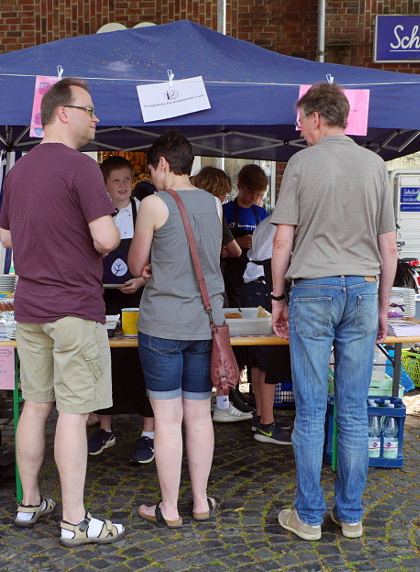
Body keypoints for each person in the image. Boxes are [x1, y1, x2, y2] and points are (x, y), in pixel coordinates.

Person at [0, 77, 126, 547]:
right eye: (90, 109)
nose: (96, 118)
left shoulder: (19, 172)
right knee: (74, 413)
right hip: (74, 306)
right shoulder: (81, 168)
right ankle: (75, 520)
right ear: (63, 112)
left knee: (35, 406)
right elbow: (108, 240)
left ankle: (30, 502)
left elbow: (9, 240)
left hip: (30, 306)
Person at [270, 82, 397, 541]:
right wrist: (384, 305)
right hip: (363, 290)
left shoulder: (301, 164)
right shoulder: (375, 165)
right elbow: (389, 247)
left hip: (314, 289)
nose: (299, 128)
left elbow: (282, 240)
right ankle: (350, 514)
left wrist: (277, 297)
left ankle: (307, 516)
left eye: (301, 120)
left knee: (308, 412)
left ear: (318, 118)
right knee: (354, 411)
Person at [129, 130, 223, 527]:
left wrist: (150, 268)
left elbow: (135, 265)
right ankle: (200, 501)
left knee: (166, 420)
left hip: (163, 324)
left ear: (164, 164)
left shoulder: (153, 203)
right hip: (204, 323)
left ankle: (169, 508)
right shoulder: (216, 204)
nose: (152, 176)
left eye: (152, 168)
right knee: (199, 417)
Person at [87, 155, 155, 464]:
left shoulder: (146, 211)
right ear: (104, 184)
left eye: (127, 178)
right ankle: (105, 428)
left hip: (139, 298)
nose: (123, 185)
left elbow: (158, 254)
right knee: (104, 362)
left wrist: (141, 280)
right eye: (116, 180)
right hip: (105, 299)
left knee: (144, 363)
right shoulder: (94, 214)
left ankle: (148, 433)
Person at [191, 166, 252, 425]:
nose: (225, 200)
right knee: (219, 345)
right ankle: (223, 402)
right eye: (224, 195)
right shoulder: (214, 212)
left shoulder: (185, 209)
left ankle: (207, 403)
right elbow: (236, 251)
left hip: (189, 289)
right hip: (214, 287)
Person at [242, 215, 292, 445]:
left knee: (258, 359)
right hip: (266, 287)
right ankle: (267, 425)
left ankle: (261, 415)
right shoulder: (284, 223)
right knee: (269, 359)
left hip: (252, 288)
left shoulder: (266, 221)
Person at [221, 164, 269, 307]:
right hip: (229, 276)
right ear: (239, 185)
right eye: (250, 192)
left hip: (254, 278)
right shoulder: (225, 211)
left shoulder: (262, 215)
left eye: (258, 194)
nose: (253, 197)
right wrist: (235, 243)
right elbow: (214, 243)